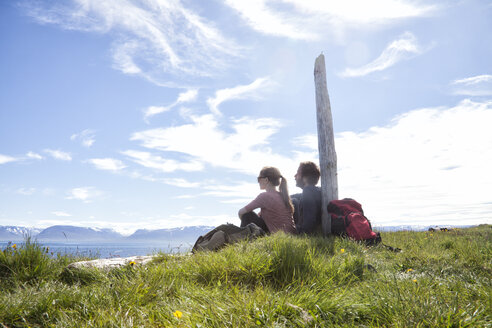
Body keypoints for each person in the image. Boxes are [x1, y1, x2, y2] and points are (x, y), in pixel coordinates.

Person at [238, 166, 296, 234]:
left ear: (266, 180)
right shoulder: (283, 196)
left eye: (259, 179)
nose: (258, 182)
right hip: (291, 235)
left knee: (247, 215)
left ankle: (242, 241)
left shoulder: (264, 196)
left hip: (277, 236)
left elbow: (241, 212)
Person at [291, 161, 322, 234]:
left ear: (304, 176)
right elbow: (297, 196)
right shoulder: (316, 191)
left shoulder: (307, 192)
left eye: (297, 173)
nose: (295, 176)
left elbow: (309, 222)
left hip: (309, 235)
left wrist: (297, 231)